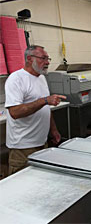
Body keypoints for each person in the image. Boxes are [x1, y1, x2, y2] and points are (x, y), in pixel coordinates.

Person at [5, 45, 66, 175]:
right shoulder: (16, 79)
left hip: (41, 142)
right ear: (29, 59)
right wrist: (45, 100)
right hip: (23, 146)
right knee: (21, 184)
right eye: (43, 58)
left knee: (40, 180)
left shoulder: (41, 78)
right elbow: (15, 112)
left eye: (48, 58)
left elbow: (45, 108)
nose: (48, 62)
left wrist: (53, 130)